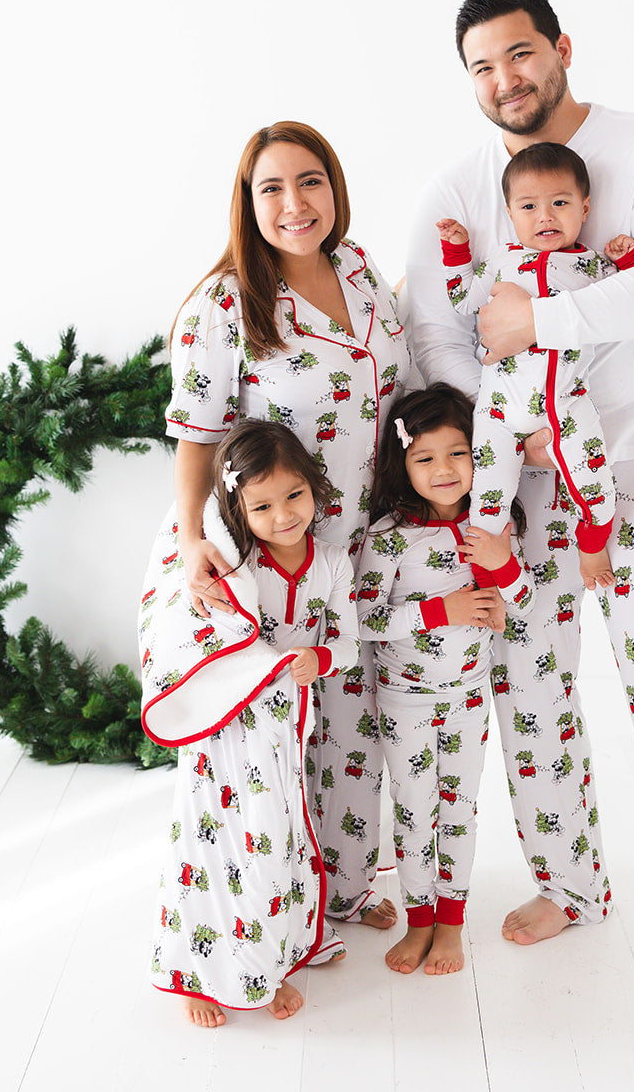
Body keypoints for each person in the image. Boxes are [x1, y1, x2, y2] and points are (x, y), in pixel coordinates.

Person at [405, 0, 634, 1001]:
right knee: (530, 696)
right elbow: (434, 327)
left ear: (560, 47)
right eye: (481, 66)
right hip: (517, 490)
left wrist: (537, 325)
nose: (504, 79)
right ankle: (570, 884)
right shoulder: (457, 185)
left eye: (519, 53)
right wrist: (501, 417)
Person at [163, 121, 410, 928]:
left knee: (352, 729)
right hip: (273, 558)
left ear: (334, 188)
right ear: (248, 202)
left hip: (363, 547)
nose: (294, 203)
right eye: (271, 187)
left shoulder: (360, 271)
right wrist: (192, 538)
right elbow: (196, 436)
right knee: (275, 742)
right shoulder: (225, 305)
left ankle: (346, 888)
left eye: (310, 181)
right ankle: (268, 917)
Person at [140, 420, 358, 1026]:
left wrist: (320, 659)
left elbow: (347, 641)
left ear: (314, 486)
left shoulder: (332, 562)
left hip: (285, 728)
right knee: (208, 841)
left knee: (276, 838)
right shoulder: (233, 567)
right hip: (225, 727)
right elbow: (199, 636)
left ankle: (272, 958)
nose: (283, 515)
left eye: (294, 495)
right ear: (237, 509)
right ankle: (198, 973)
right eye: (261, 506)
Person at [354, 384, 533, 977]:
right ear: (403, 464)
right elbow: (364, 620)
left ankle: (451, 922)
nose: (444, 469)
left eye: (458, 453)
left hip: (468, 697)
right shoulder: (389, 537)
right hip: (405, 701)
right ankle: (419, 920)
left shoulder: (491, 525)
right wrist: (442, 610)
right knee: (414, 809)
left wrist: (502, 568)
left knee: (459, 809)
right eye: (425, 457)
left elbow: (524, 599)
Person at [437, 140, 634, 589]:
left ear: (584, 208)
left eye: (559, 203)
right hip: (499, 411)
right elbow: (463, 299)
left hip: (567, 403)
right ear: (511, 214)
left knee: (595, 485)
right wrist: (458, 253)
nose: (545, 216)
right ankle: (488, 578)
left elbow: (626, 306)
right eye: (529, 206)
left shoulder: (590, 266)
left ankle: (591, 547)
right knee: (487, 502)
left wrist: (626, 262)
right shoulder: (502, 261)